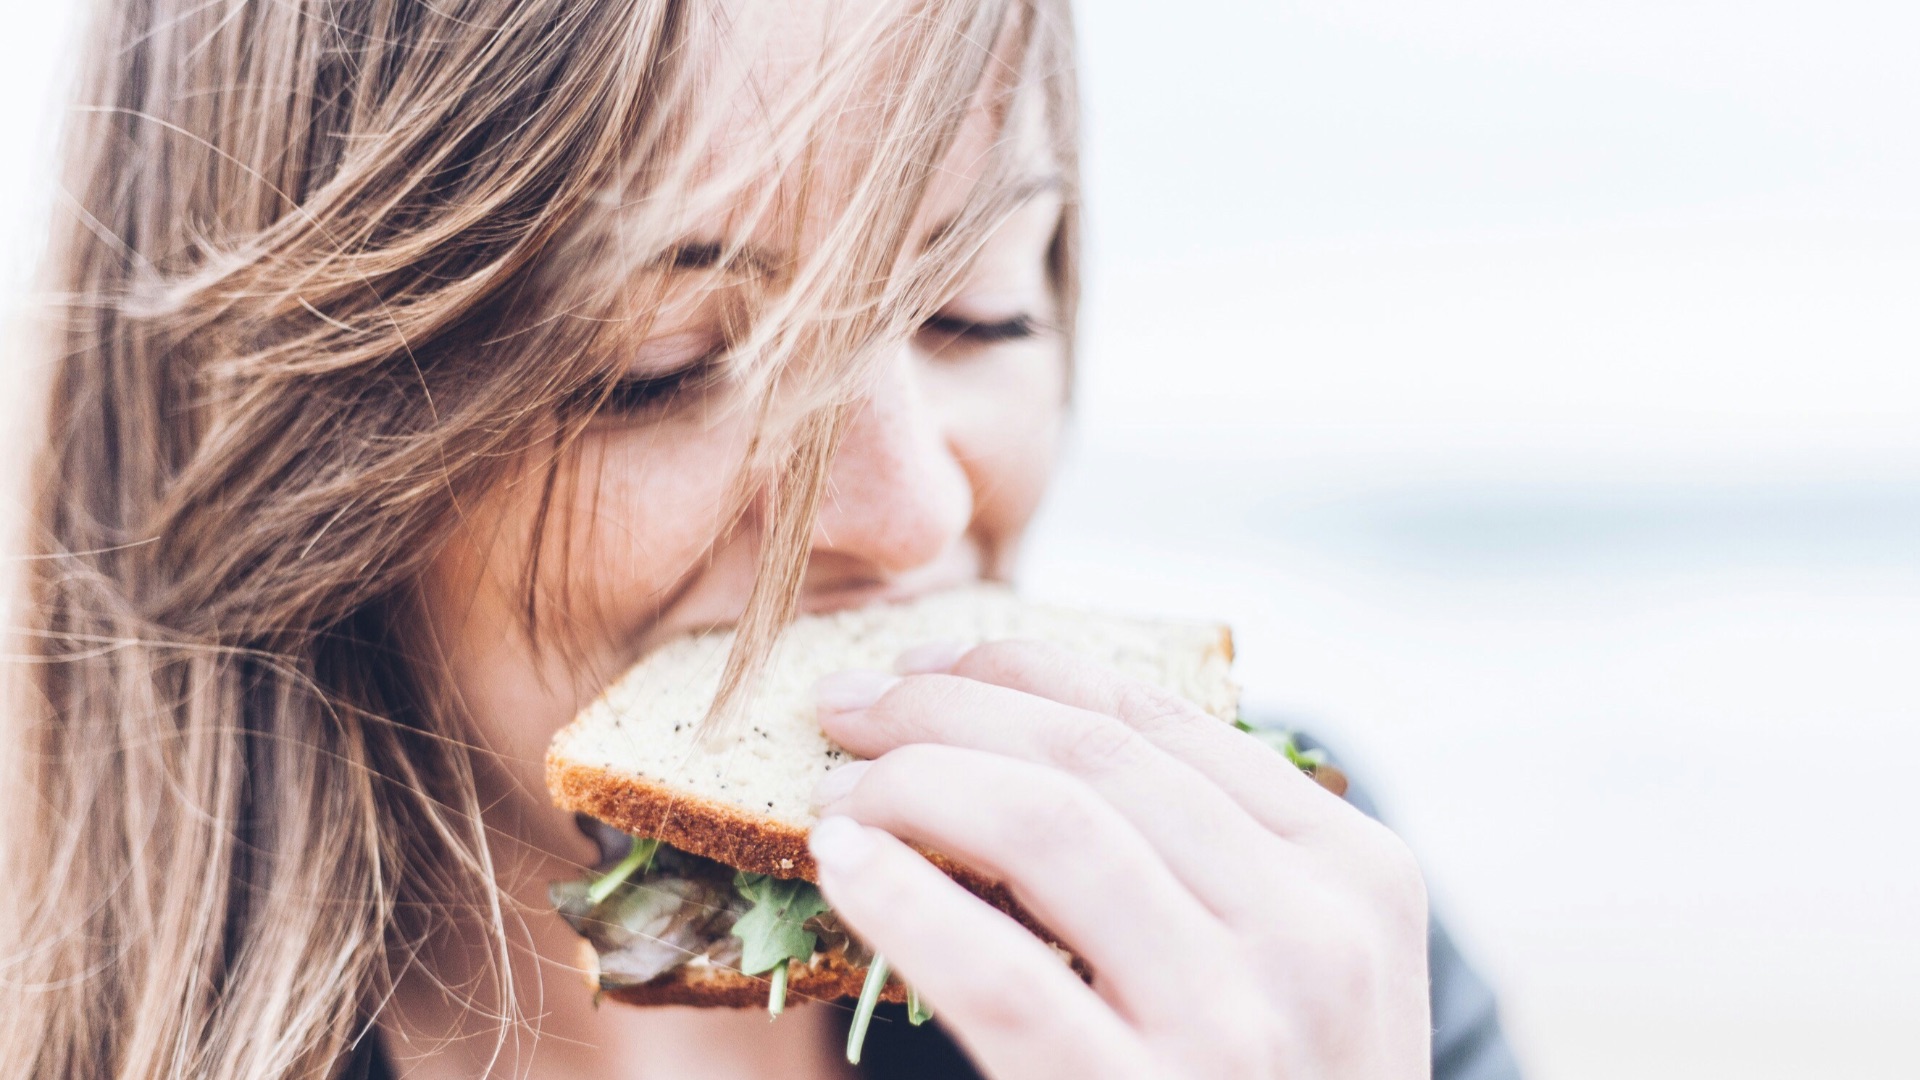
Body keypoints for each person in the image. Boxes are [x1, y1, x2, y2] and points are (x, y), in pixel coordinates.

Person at [1, 1, 1521, 1077]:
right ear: (290, 438)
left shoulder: (1283, 942)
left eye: (980, 307)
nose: (919, 508)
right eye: (658, 366)